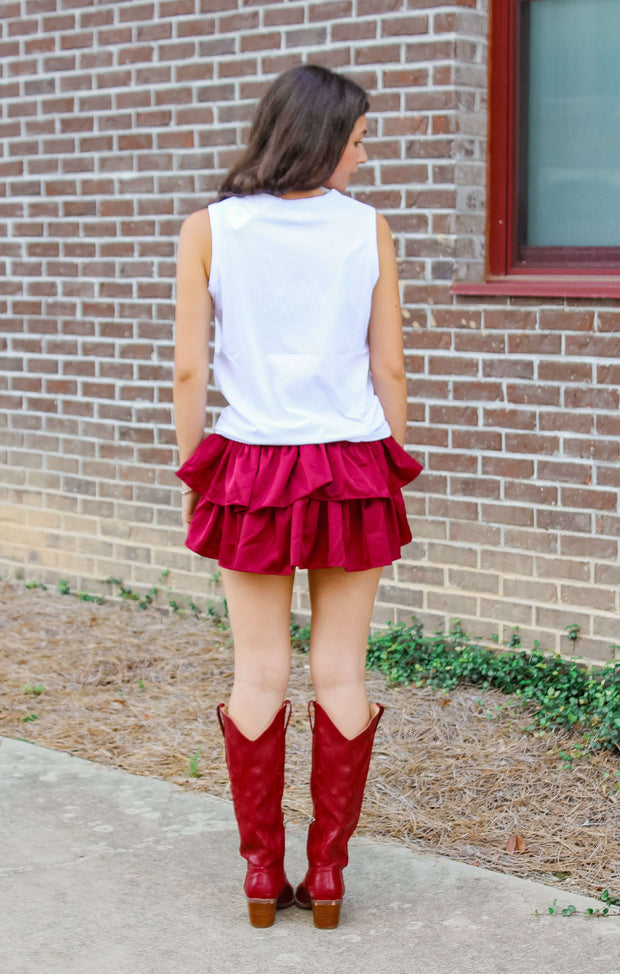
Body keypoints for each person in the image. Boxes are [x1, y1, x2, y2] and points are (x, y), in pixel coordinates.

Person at [173, 64, 423, 930]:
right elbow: (387, 364)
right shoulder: (369, 231)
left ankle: (258, 875)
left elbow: (189, 369)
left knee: (258, 670)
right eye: (358, 138)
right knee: (341, 670)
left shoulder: (209, 228)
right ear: (322, 138)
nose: (364, 152)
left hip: (250, 467)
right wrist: (391, 450)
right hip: (350, 463)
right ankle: (325, 876)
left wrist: (194, 471)